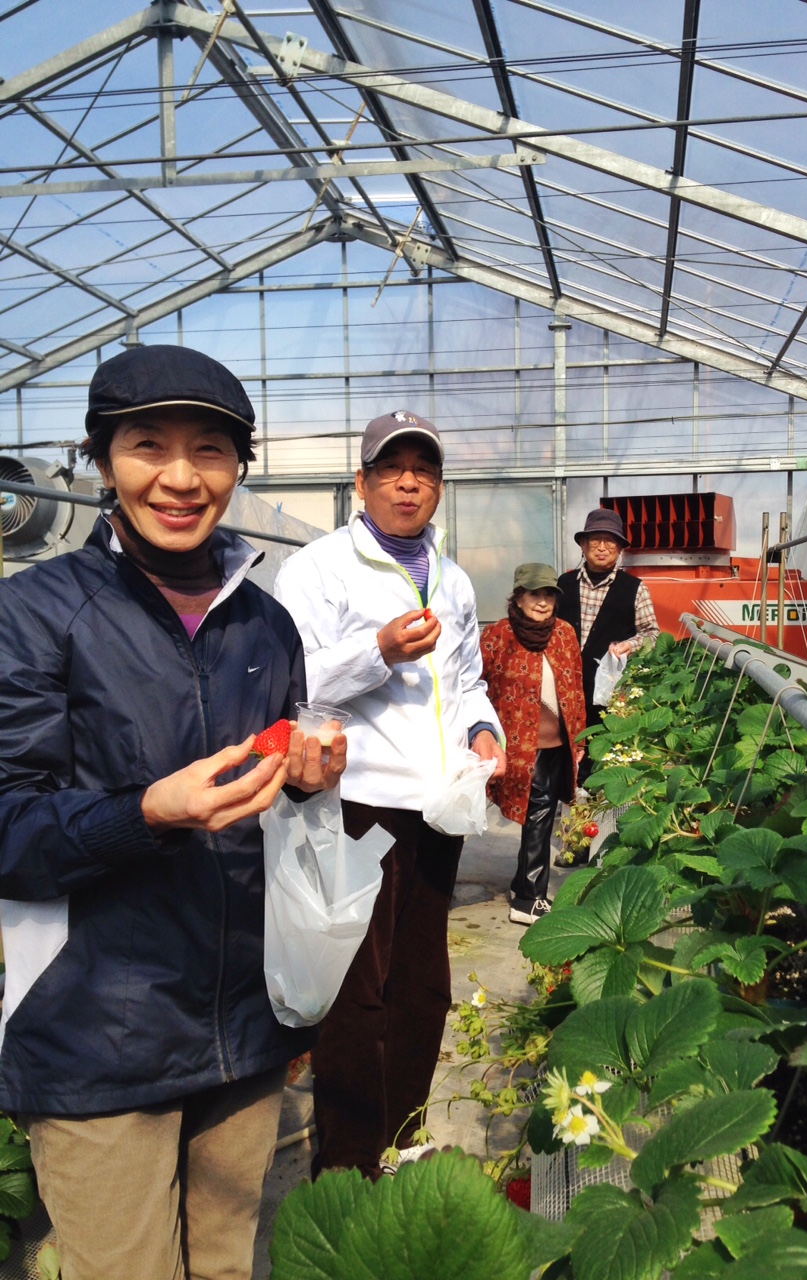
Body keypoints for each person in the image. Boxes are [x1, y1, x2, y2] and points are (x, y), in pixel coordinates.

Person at [0, 344, 347, 1280]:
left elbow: (273, 803)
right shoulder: (34, 614)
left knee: (228, 1267)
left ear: (239, 466)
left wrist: (308, 779)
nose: (182, 478)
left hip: (244, 1022)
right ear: (102, 458)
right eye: (148, 445)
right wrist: (147, 813)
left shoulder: (264, 623)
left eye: (211, 450)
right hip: (96, 1033)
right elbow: (8, 828)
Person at [274, 408, 506, 1180]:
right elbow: (296, 682)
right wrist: (377, 650)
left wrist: (482, 729)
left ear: (438, 487)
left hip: (437, 805)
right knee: (357, 989)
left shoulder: (453, 579)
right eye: (392, 469)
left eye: (423, 470)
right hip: (357, 802)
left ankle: (403, 1135)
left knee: (423, 987)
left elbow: (467, 680)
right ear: (362, 482)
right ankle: (346, 1165)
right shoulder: (318, 570)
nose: (409, 483)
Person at [480, 563, 586, 925]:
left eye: (548, 595)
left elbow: (575, 684)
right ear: (518, 597)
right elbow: (478, 683)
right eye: (534, 594)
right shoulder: (499, 635)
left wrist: (580, 737)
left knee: (542, 812)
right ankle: (529, 898)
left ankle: (523, 886)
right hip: (518, 744)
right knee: (537, 812)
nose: (542, 602)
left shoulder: (564, 633)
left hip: (558, 742)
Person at [556, 507, 659, 785]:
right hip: (565, 687)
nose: (602, 547)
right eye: (595, 540)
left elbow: (651, 634)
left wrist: (629, 645)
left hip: (609, 690)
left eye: (610, 541)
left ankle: (597, 797)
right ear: (583, 545)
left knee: (603, 749)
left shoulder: (635, 588)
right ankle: (567, 794)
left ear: (620, 548)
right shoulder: (564, 584)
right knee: (563, 748)